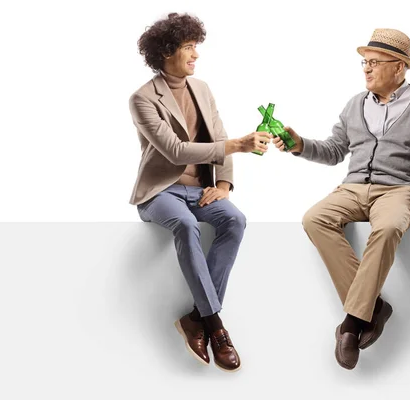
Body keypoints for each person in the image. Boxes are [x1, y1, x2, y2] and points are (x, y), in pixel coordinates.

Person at [273, 28, 410, 370]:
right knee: (315, 218)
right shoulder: (354, 104)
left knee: (388, 227)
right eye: (365, 62)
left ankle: (351, 324)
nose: (367, 69)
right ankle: (373, 309)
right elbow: (333, 151)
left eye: (374, 62)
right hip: (353, 188)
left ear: (399, 67)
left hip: (401, 190)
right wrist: (299, 144)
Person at [129, 12, 271, 372]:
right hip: (160, 192)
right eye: (189, 47)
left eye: (196, 46)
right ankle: (215, 326)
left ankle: (195, 317)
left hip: (203, 190)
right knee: (187, 226)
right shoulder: (142, 99)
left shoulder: (202, 88)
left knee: (235, 220)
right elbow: (175, 150)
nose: (195, 55)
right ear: (166, 52)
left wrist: (223, 185)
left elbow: (218, 137)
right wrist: (238, 146)